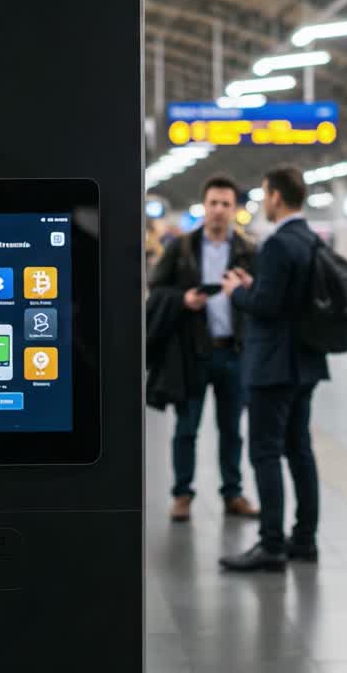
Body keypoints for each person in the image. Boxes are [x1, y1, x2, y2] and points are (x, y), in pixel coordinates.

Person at [219, 166, 327, 573]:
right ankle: (304, 540)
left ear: (277, 197)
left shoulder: (279, 244)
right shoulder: (310, 240)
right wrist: (255, 287)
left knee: (265, 452)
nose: (264, 202)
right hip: (305, 364)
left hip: (273, 367)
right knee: (300, 450)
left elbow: (266, 307)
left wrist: (237, 293)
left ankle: (271, 545)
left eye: (265, 194)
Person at [147, 175, 259, 523]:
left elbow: (263, 301)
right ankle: (182, 494)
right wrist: (183, 299)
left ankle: (233, 493)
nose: (219, 210)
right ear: (204, 206)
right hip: (193, 352)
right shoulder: (181, 249)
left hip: (234, 353)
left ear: (234, 209)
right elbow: (155, 292)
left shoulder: (248, 251)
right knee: (186, 428)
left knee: (231, 430)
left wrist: (249, 291)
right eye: (214, 203)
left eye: (226, 204)